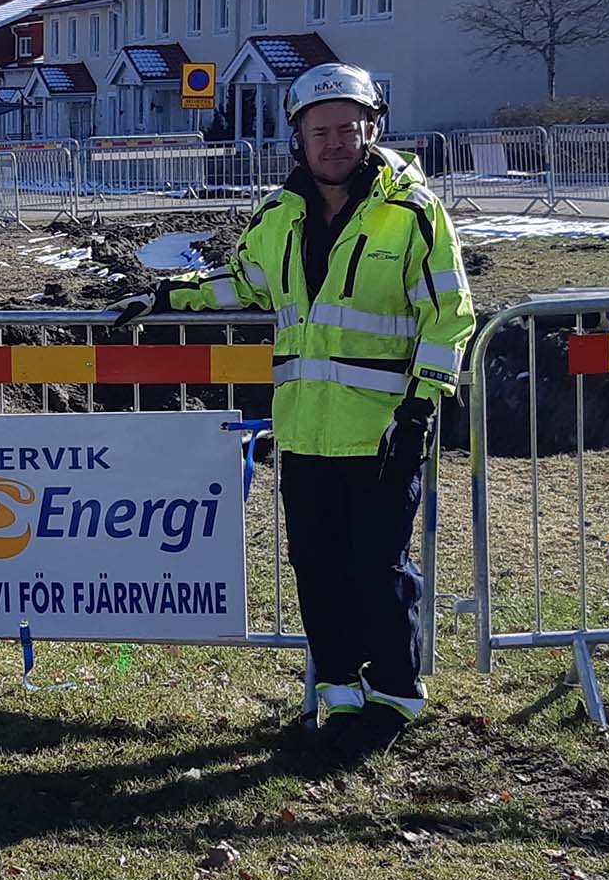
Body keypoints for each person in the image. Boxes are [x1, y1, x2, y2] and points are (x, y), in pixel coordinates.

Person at [115, 63, 471, 765]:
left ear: (372, 128)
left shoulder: (413, 212)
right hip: (305, 429)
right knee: (315, 564)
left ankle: (396, 693)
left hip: (382, 430)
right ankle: (337, 690)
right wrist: (167, 295)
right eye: (320, 130)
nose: (335, 142)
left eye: (348, 127)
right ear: (298, 138)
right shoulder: (278, 216)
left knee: (379, 566)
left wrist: (423, 405)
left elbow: (449, 312)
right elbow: (242, 283)